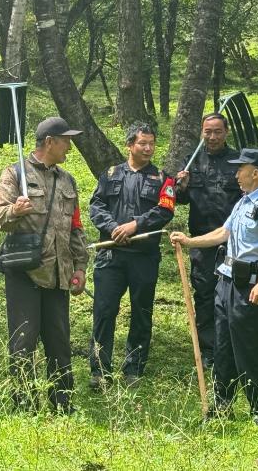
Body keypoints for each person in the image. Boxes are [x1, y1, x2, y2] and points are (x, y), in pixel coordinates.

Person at [170, 149, 258, 426]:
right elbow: (224, 233)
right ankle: (223, 406)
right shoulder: (244, 201)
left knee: (247, 347)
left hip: (249, 285)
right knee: (223, 346)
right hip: (226, 281)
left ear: (255, 172)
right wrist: (189, 241)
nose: (235, 174)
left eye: (240, 169)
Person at [0, 117, 88, 413]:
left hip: (58, 275)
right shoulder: (15, 174)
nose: (69, 147)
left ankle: (62, 406)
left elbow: (76, 227)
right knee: (23, 344)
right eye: (65, 141)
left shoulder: (68, 180)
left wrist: (80, 268)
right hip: (25, 272)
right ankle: (24, 407)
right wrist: (14, 210)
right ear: (50, 142)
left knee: (60, 344)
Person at [88, 123, 175, 388]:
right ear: (130, 145)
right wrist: (114, 228)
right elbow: (96, 206)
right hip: (111, 256)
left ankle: (133, 370)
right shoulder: (111, 174)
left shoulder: (163, 179)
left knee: (142, 312)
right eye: (142, 144)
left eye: (151, 144)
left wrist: (136, 224)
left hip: (144, 257)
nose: (148, 148)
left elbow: (165, 211)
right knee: (104, 311)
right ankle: (99, 371)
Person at [174, 113, 242, 367]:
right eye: (207, 132)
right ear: (202, 133)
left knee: (232, 293)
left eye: (217, 131)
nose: (212, 137)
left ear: (226, 132)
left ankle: (231, 345)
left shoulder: (238, 161)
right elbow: (179, 201)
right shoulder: (192, 162)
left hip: (233, 241)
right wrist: (181, 186)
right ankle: (208, 350)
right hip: (201, 241)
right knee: (204, 294)